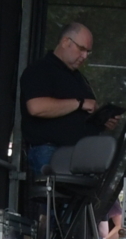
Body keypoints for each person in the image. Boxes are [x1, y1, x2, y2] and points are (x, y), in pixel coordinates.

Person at [21, 22, 118, 176]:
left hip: (80, 155)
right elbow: (36, 107)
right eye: (82, 49)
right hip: (51, 153)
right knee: (53, 192)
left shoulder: (79, 78)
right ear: (66, 42)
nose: (85, 56)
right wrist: (80, 103)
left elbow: (80, 116)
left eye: (88, 52)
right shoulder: (40, 70)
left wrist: (101, 120)